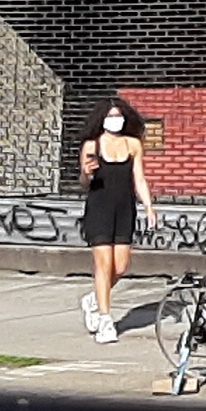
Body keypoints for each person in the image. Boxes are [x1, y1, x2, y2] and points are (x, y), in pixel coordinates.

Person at [75, 101, 151, 340]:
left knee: (120, 266)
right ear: (102, 119)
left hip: (125, 208)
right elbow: (84, 182)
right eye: (110, 116)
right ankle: (105, 320)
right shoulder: (92, 145)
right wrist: (87, 173)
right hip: (100, 208)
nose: (115, 120)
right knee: (103, 264)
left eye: (118, 115)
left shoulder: (133, 145)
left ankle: (94, 298)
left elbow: (139, 179)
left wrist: (149, 206)